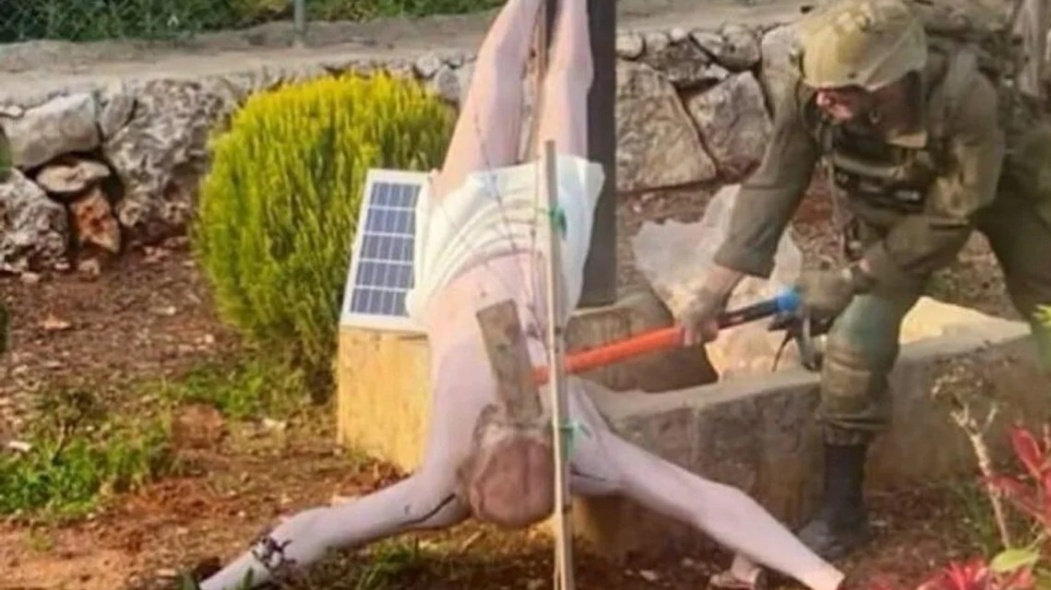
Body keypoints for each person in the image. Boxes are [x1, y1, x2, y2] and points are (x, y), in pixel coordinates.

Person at [186, 1, 847, 589]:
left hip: (458, 247)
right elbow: (705, 499)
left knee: (500, 80)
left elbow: (316, 529)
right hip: (542, 241)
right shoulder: (583, 451)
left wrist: (228, 581)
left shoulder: (449, 486)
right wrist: (819, 575)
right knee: (560, 81)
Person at [680, 0, 1051, 576]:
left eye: (843, 91)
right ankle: (843, 512)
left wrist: (850, 278)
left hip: (1005, 189)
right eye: (820, 88)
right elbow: (775, 181)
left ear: (891, 80)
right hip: (896, 206)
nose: (825, 99)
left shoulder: (965, 97)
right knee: (854, 345)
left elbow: (954, 216)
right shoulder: (815, 91)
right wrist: (714, 289)